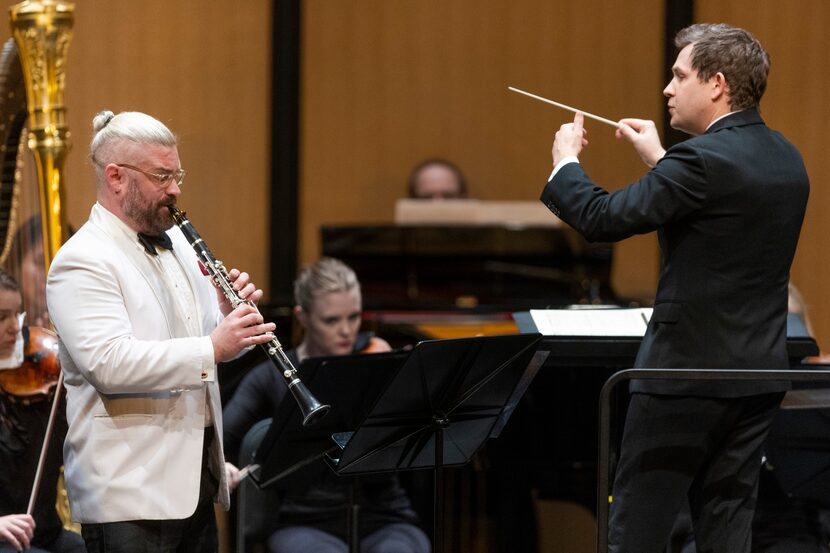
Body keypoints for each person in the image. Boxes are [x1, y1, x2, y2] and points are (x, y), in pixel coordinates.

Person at [540, 23, 808, 553]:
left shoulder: (700, 160)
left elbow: (600, 217)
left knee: (636, 535)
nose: (667, 87)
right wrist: (661, 160)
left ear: (717, 84)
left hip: (681, 380)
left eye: (679, 75)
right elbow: (720, 216)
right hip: (755, 378)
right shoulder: (784, 157)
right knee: (725, 537)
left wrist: (565, 162)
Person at [45, 110, 276, 553]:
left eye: (177, 174)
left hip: (194, 483)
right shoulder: (82, 260)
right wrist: (213, 344)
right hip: (130, 493)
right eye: (161, 175)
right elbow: (110, 364)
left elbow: (204, 349)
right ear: (116, 177)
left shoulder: (184, 245)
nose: (175, 189)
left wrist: (228, 318)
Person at [223, 257, 430, 553]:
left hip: (383, 515)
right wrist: (225, 465)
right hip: (304, 521)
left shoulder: (377, 361)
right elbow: (223, 436)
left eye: (354, 317)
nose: (347, 331)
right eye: (332, 320)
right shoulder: (271, 374)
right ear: (303, 317)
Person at [0, 269, 84, 553]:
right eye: (2, 317)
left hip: (45, 533)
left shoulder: (42, 378)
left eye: (17, 314)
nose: (15, 327)